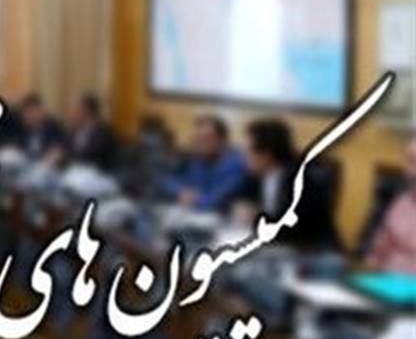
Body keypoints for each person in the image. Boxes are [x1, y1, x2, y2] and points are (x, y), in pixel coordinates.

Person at [234, 118, 340, 250]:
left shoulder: (299, 181)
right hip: (277, 247)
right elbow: (242, 198)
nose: (243, 158)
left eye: (248, 152)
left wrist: (255, 218)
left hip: (311, 251)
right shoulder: (261, 175)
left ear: (266, 154)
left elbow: (294, 231)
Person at [164, 115, 247, 212]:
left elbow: (216, 200)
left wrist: (194, 199)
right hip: (196, 215)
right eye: (196, 140)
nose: (198, 145)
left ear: (222, 141)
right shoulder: (197, 160)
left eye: (205, 140)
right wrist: (181, 192)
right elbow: (169, 182)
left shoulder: (237, 164)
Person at [365, 137, 416, 274]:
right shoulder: (402, 202)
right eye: (410, 161)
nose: (410, 171)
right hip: (385, 280)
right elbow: (379, 251)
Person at [68, 93, 119, 171]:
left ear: (87, 111)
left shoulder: (103, 131)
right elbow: (67, 148)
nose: (73, 113)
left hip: (97, 171)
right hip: (77, 170)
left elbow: (91, 155)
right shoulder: (75, 129)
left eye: (77, 109)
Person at [17, 93, 68, 163]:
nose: (31, 116)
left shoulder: (54, 128)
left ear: (42, 112)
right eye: (27, 113)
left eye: (33, 112)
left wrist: (57, 152)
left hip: (48, 164)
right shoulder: (20, 129)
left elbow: (62, 148)